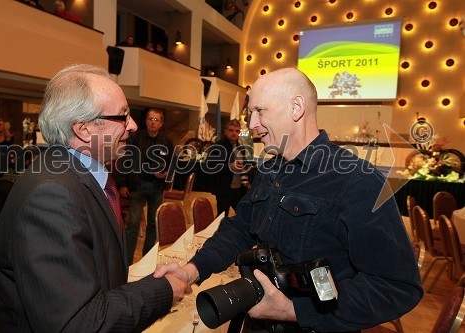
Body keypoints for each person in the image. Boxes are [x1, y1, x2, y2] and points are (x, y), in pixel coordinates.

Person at [155, 68, 423, 332]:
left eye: (260, 111)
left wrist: (295, 311)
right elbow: (240, 229)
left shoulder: (357, 180)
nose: (252, 124)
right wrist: (192, 270)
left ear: (296, 108)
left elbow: (395, 287)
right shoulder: (271, 169)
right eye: (251, 114)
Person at [0, 64, 187, 332]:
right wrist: (162, 290)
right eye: (123, 116)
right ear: (83, 129)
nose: (133, 125)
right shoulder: (51, 195)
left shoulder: (80, 175)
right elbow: (79, 322)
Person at [116, 109, 174, 265]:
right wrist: (122, 184)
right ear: (146, 121)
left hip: (156, 188)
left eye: (156, 120)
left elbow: (171, 164)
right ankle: (126, 261)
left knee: (153, 224)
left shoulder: (166, 141)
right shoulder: (135, 138)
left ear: (161, 123)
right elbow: (124, 161)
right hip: (137, 186)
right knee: (133, 224)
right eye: (150, 119)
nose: (153, 122)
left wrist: (166, 175)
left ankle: (146, 260)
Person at [206, 119, 250, 216]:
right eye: (231, 130)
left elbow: (243, 164)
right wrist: (229, 167)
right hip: (224, 189)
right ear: (225, 131)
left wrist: (246, 167)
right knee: (222, 217)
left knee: (243, 215)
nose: (234, 133)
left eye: (237, 131)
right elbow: (209, 166)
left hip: (239, 189)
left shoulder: (241, 148)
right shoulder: (217, 146)